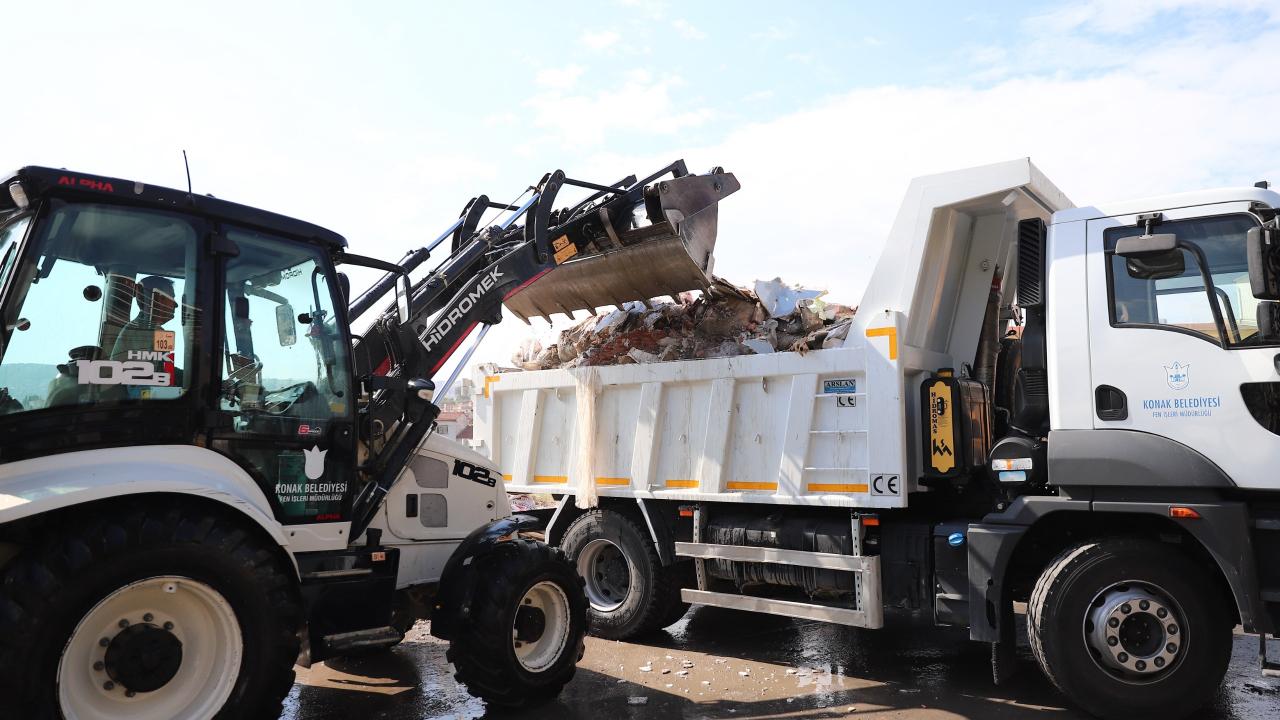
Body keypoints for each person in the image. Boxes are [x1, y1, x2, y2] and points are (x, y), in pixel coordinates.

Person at [110, 276, 181, 387]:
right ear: (159, 298)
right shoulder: (143, 331)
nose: (176, 305)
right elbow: (149, 376)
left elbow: (163, 368)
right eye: (172, 297)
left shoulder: (156, 331)